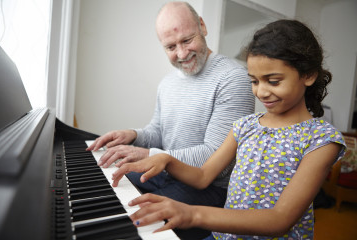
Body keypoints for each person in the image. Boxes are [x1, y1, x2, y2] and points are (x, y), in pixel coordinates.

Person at [111, 19, 346, 239]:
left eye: (273, 81)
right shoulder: (246, 126)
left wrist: (193, 214)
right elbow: (203, 176)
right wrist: (167, 160)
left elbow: (280, 219)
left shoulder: (321, 140)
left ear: (308, 75)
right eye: (254, 81)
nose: (261, 92)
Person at [86, 1, 255, 207]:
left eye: (187, 40)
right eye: (171, 47)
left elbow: (214, 157)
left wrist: (150, 155)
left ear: (202, 26)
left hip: (209, 188)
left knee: (132, 212)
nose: (182, 54)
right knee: (104, 186)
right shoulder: (167, 83)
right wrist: (135, 135)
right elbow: (158, 133)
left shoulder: (233, 79)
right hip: (164, 173)